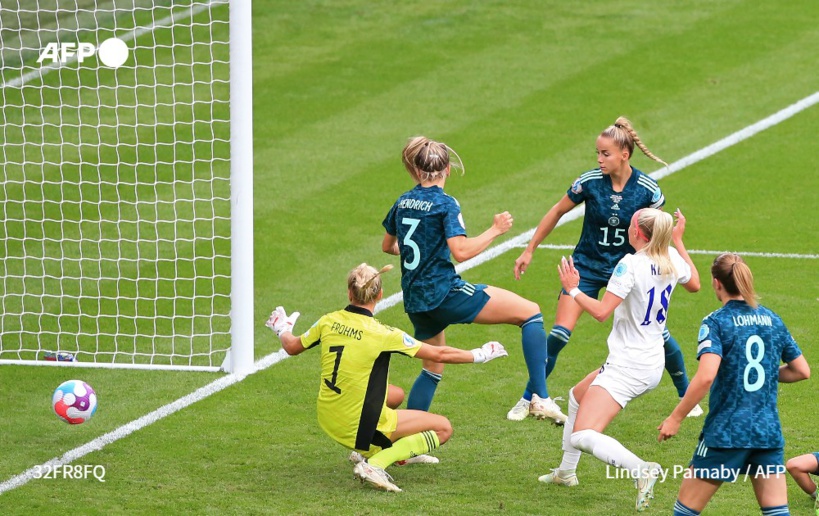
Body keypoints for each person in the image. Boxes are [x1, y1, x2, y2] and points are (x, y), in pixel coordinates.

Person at [512, 117, 702, 421]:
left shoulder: (647, 189)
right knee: (560, 334)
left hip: (628, 272)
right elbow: (557, 211)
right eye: (598, 153)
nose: (599, 159)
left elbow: (658, 233)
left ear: (624, 155)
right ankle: (529, 397)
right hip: (586, 265)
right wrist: (529, 249)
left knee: (658, 333)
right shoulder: (588, 182)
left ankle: (686, 396)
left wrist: (665, 258)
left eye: (605, 154)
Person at [266, 263, 508, 493]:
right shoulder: (384, 334)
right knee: (443, 428)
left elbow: (292, 346)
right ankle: (376, 463)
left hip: (328, 416)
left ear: (349, 293)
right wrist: (481, 354)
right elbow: (439, 353)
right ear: (380, 294)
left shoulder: (328, 320)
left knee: (396, 395)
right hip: (356, 427)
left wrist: (282, 328)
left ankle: (364, 452)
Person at [381, 136, 566, 424]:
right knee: (530, 313)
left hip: (416, 300)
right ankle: (540, 398)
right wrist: (495, 230)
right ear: (447, 170)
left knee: (432, 368)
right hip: (445, 293)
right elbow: (462, 251)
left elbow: (388, 245)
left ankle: (407, 444)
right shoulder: (446, 203)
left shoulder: (403, 201)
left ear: (418, 171)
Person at [538, 208, 700, 512]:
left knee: (585, 434)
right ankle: (565, 473)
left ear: (638, 233)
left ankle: (642, 470)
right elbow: (696, 284)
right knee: (576, 396)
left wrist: (573, 290)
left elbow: (601, 312)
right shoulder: (671, 258)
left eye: (630, 225)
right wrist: (678, 241)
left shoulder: (630, 265)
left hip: (629, 365)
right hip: (650, 360)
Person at [658, 253, 810, 516]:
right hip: (767, 433)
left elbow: (706, 376)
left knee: (684, 512)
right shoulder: (772, 319)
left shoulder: (716, 321)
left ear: (717, 283)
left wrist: (675, 417)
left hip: (726, 434)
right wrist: (761, 372)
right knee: (777, 513)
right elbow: (801, 371)